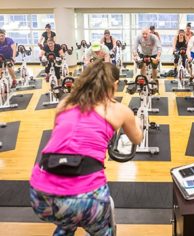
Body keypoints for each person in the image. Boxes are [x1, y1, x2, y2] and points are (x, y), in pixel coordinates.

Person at [29, 60, 143, 236]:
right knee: (98, 225)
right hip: (86, 197)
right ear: (115, 84)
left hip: (40, 195)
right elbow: (137, 138)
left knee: (67, 219)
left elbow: (60, 138)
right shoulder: (118, 110)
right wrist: (137, 121)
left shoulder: (64, 104)